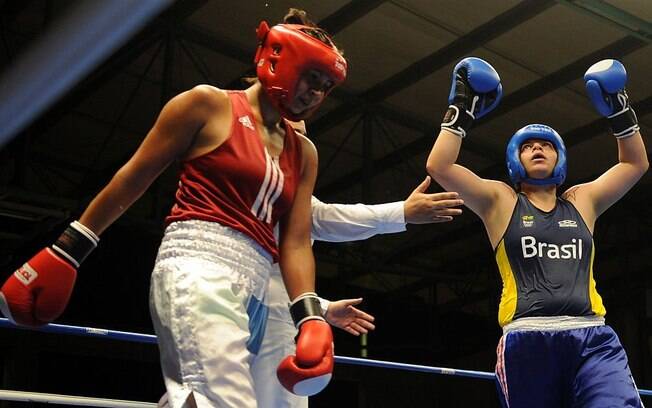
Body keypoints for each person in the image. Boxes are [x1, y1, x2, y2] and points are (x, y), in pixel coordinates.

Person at [1, 8, 350, 407]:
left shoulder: (304, 152)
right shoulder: (208, 105)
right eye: (312, 77)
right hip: (198, 266)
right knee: (224, 399)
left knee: (193, 396)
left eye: (326, 86)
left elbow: (296, 241)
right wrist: (68, 249)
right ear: (279, 61)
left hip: (256, 287)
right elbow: (134, 177)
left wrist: (308, 313)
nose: (316, 93)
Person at [427, 57, 648, 407]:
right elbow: (440, 166)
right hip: (527, 338)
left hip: (592, 337)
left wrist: (621, 114)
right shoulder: (501, 201)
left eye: (546, 145)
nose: (537, 149)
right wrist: (460, 111)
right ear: (516, 159)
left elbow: (635, 164)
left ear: (560, 157)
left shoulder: (582, 200)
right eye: (528, 146)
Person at [253, 119, 464, 408]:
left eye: (304, 135)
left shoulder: (293, 193)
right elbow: (325, 221)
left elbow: (280, 270)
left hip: (273, 322)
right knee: (203, 394)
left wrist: (322, 308)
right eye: (291, 131)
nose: (299, 143)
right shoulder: (232, 176)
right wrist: (401, 212)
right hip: (221, 306)